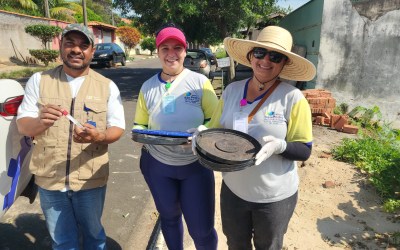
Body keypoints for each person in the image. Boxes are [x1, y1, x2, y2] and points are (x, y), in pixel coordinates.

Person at [205, 26, 316, 249]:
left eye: (275, 56)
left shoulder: (292, 98)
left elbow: (304, 149)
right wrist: (201, 133)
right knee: (236, 244)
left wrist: (280, 146)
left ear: (284, 63)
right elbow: (215, 129)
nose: (266, 60)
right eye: (259, 53)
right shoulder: (231, 91)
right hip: (234, 191)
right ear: (250, 56)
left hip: (273, 198)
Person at [16, 23, 125, 250]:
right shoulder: (39, 80)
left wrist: (99, 136)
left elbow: (118, 128)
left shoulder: (107, 86)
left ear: (92, 52)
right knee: (63, 241)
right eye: (70, 44)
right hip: (50, 179)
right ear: (61, 48)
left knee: (95, 238)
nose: (77, 50)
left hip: (90, 179)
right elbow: (23, 125)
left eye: (84, 45)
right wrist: (39, 122)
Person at [133, 23, 219, 250]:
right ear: (158, 51)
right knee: (169, 219)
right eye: (165, 48)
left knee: (202, 230)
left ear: (185, 50)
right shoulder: (148, 87)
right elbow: (139, 124)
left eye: (177, 48)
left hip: (195, 165)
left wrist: (203, 132)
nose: (171, 54)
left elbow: (215, 119)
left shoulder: (200, 83)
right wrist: (144, 135)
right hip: (158, 166)